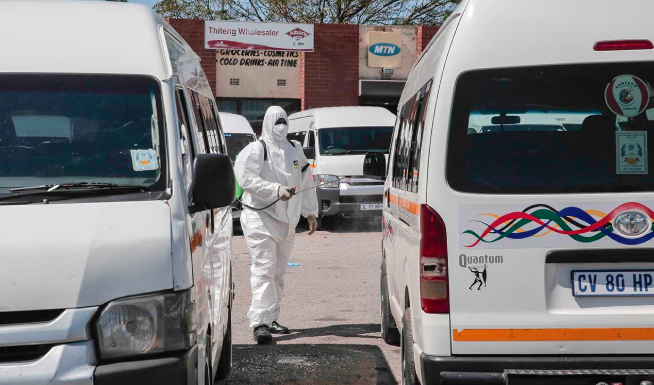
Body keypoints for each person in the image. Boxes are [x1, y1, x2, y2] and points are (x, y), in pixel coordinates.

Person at [234, 106, 319, 344]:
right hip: (260, 219)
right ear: (268, 123)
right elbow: (246, 179)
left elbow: (306, 179)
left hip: (288, 220)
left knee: (278, 273)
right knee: (264, 269)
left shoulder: (294, 149)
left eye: (284, 120)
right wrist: (275, 190)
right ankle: (259, 323)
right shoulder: (255, 150)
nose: (281, 125)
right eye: (277, 121)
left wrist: (310, 212)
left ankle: (271, 317)